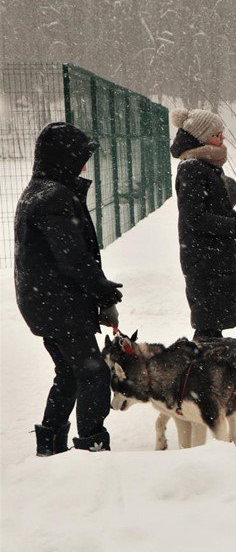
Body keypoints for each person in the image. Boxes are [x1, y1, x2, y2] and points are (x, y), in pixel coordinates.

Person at [14, 122, 123, 454]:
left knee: (69, 374)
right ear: (64, 158)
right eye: (80, 159)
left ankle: (50, 447)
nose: (85, 166)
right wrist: (105, 293)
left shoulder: (41, 190)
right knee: (93, 373)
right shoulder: (54, 197)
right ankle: (92, 448)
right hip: (59, 304)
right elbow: (73, 258)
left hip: (46, 302)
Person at [170, 107, 236, 342]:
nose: (222, 138)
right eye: (216, 135)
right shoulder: (192, 168)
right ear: (201, 137)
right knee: (207, 324)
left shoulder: (206, 165)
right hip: (203, 257)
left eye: (221, 133)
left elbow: (217, 210)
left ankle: (209, 357)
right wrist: (234, 226)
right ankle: (204, 360)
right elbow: (194, 218)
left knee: (213, 320)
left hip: (213, 254)